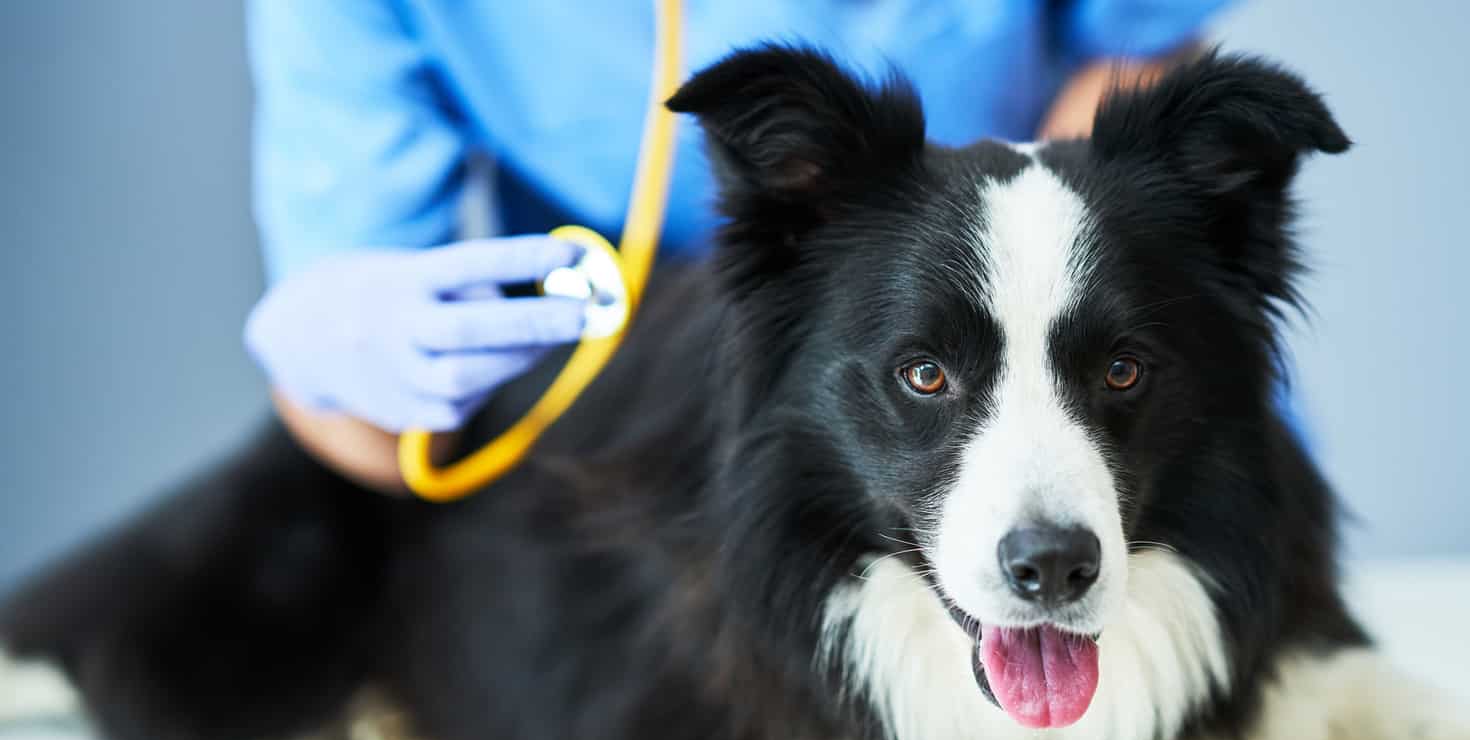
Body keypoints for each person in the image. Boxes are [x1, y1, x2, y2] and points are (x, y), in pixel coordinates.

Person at [244, 1, 1232, 491]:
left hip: (1057, 405)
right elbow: (378, 440)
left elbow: (1140, 49)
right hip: (628, 461)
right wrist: (342, 365)